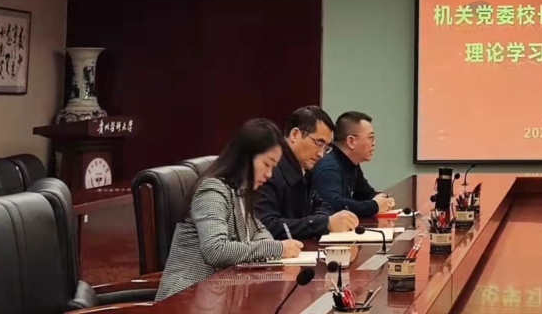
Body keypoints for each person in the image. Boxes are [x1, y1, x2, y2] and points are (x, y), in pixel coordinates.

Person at [156, 119, 303, 300]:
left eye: (273, 167)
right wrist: (277, 248)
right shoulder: (212, 191)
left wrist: (270, 246)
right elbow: (215, 250)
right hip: (185, 298)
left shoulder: (240, 193)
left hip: (218, 294)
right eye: (267, 164)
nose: (269, 174)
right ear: (246, 157)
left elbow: (259, 232)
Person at [258, 105, 360, 239]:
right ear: (295, 134)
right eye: (319, 143)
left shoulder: (304, 170)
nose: (321, 154)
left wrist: (324, 222)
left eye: (326, 147)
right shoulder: (268, 171)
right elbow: (266, 226)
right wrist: (324, 224)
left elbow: (322, 205)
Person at [312, 111, 396, 218]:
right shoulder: (328, 168)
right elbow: (332, 205)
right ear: (351, 141)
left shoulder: (351, 163)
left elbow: (365, 194)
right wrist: (374, 206)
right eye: (370, 138)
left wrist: (383, 199)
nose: (374, 143)